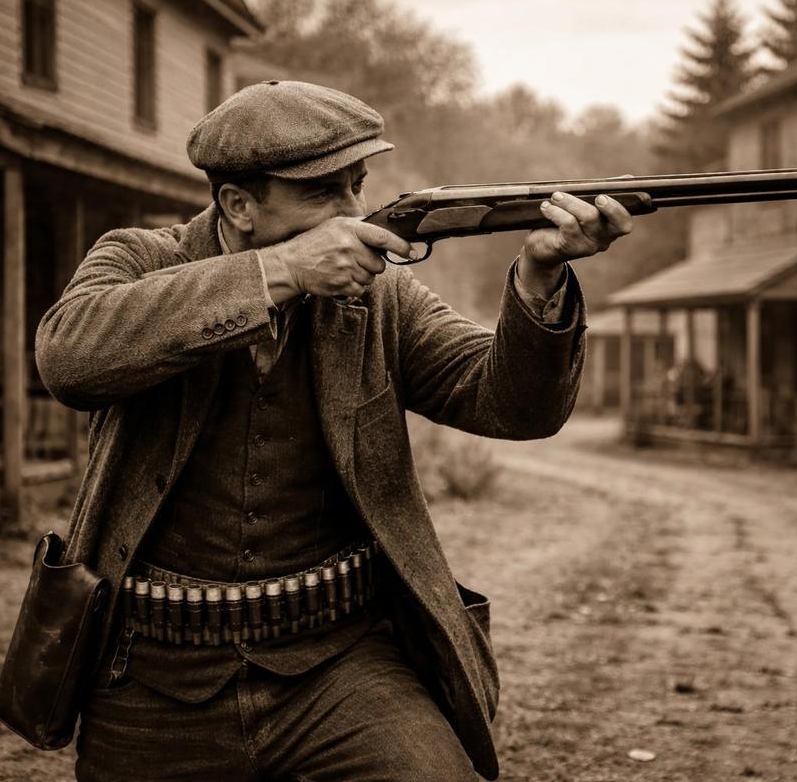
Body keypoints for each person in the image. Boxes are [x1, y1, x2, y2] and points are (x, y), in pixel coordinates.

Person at [34, 81, 632, 781]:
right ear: (238, 206)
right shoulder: (138, 259)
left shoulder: (378, 295)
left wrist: (540, 275)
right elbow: (67, 356)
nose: (354, 214)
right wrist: (278, 273)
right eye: (325, 193)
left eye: (358, 185)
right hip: (152, 674)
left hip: (339, 665)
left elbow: (509, 406)